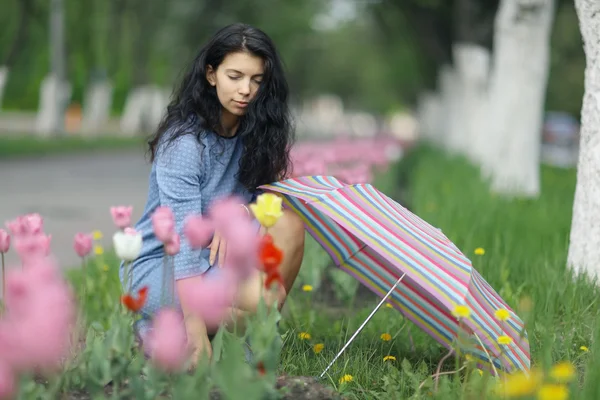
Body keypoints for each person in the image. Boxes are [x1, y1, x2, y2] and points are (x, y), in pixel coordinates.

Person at [121, 23, 306, 366]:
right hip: (163, 264)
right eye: (234, 76)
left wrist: (244, 214)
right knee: (262, 296)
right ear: (211, 74)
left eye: (257, 80)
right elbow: (182, 238)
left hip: (219, 257)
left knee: (290, 225)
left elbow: (265, 205)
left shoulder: (256, 135)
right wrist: (194, 327)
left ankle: (185, 334)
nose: (246, 90)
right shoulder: (185, 143)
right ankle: (180, 331)